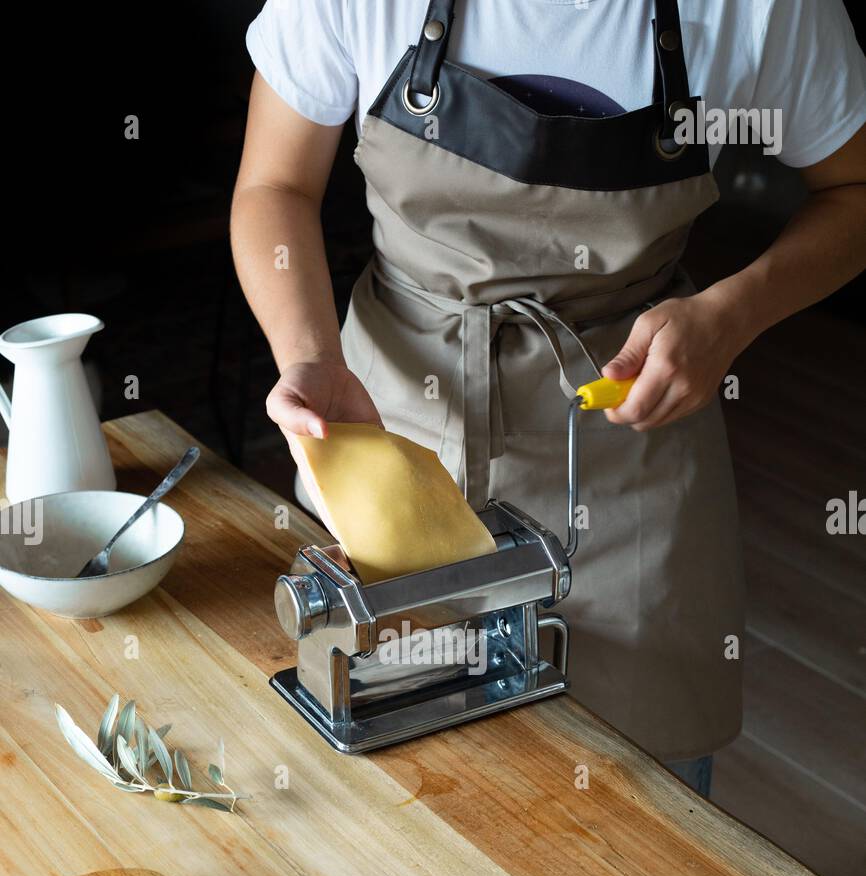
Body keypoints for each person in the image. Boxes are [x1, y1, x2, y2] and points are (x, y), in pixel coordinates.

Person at [231, 0, 866, 795]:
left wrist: (730, 316)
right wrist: (311, 357)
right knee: (385, 811)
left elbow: (855, 191)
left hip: (629, 460)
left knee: (639, 837)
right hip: (384, 438)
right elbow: (274, 185)